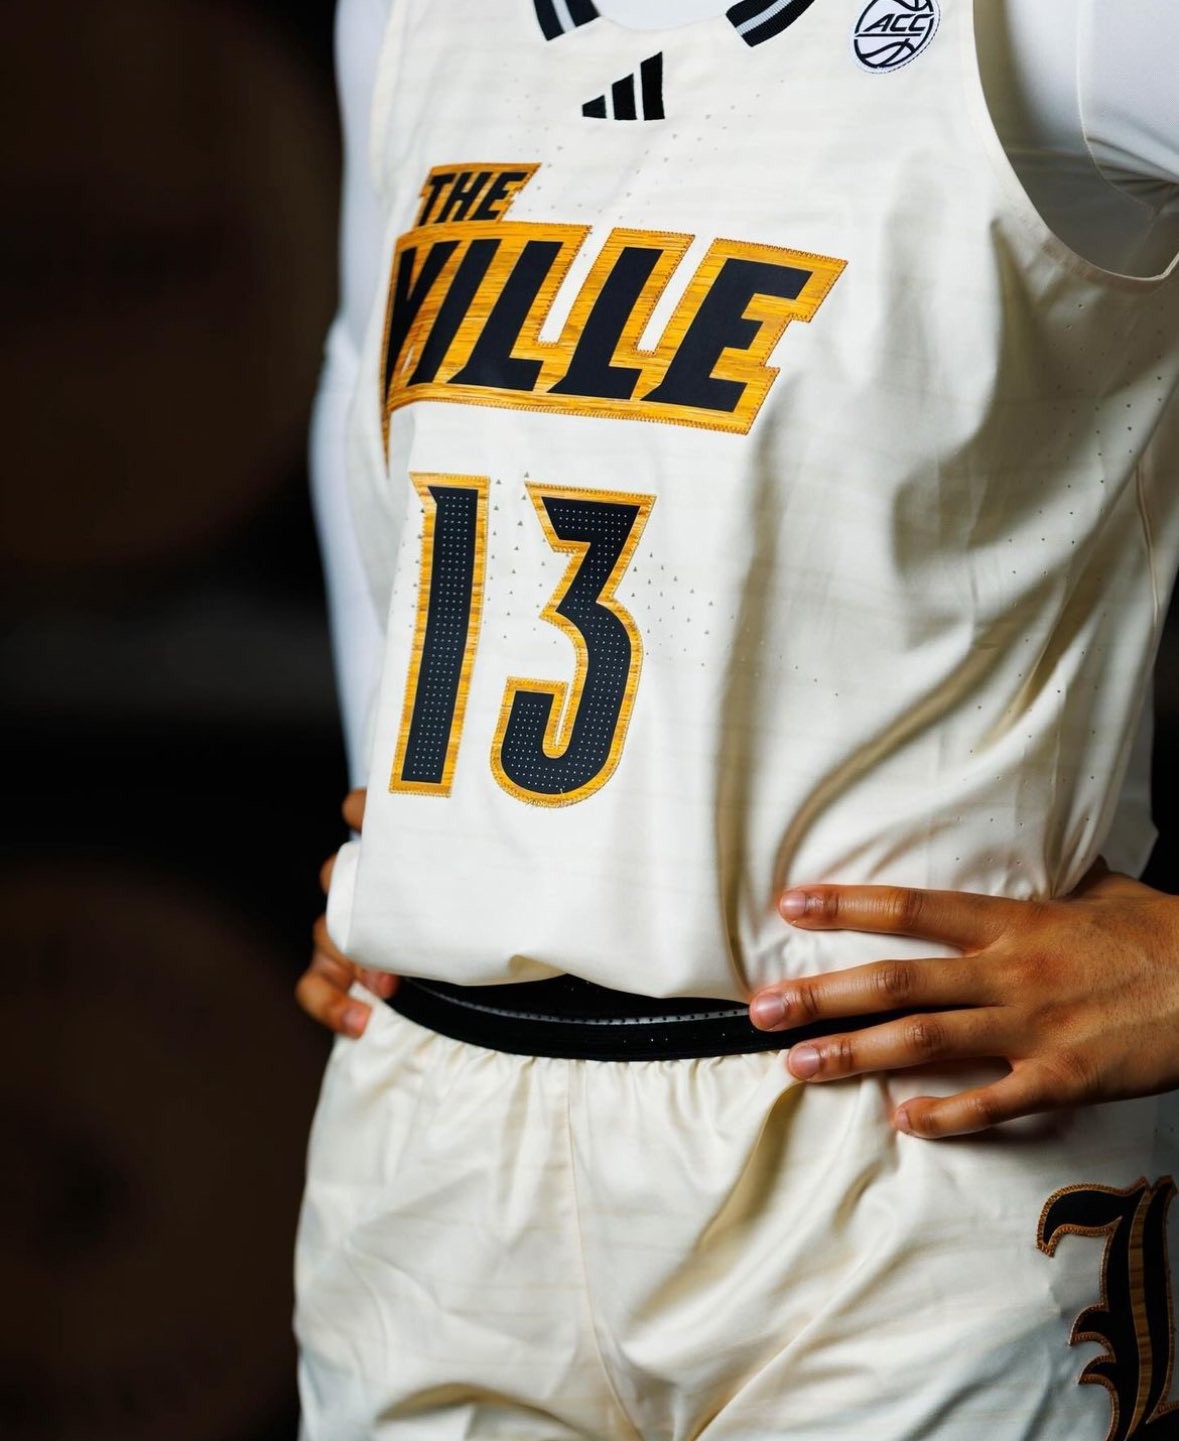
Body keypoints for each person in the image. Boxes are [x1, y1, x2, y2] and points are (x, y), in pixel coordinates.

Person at [295, 2, 1179, 1437]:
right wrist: (404, 824)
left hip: (910, 1137)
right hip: (432, 1128)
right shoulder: (403, 15)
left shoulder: (1075, 26)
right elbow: (367, 369)